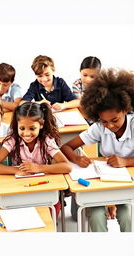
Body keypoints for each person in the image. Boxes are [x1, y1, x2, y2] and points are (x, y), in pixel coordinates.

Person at [61, 68, 134, 232]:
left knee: (127, 215)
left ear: (126, 109)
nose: (110, 126)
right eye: (104, 121)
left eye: (115, 120)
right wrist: (76, 159)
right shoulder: (100, 127)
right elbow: (66, 147)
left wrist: (126, 161)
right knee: (95, 214)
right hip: (104, 183)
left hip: (128, 186)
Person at [0, 102, 71, 217]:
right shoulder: (13, 140)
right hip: (20, 188)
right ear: (16, 125)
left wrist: (38, 168)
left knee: (53, 207)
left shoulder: (46, 141)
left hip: (42, 186)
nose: (26, 133)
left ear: (41, 125)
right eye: (22, 128)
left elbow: (67, 166)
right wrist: (17, 171)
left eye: (32, 128)